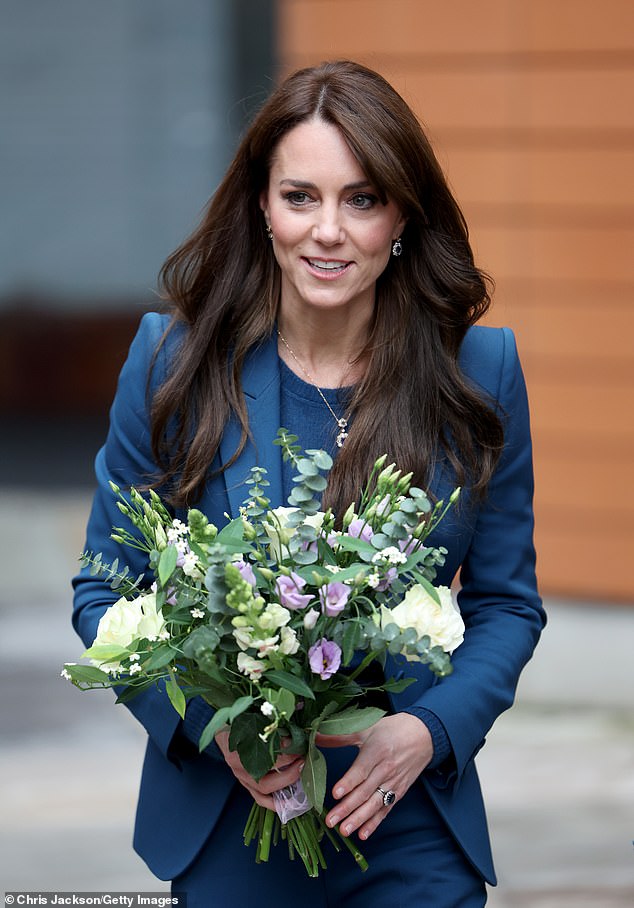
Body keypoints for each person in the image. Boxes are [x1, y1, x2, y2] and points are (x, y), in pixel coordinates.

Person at [73, 60, 545, 906]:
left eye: (362, 199)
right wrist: (211, 729)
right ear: (262, 206)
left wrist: (428, 732)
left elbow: (507, 603)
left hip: (408, 830)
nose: (328, 230)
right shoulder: (171, 364)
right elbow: (102, 593)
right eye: (301, 197)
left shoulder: (480, 373)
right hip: (231, 825)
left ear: (401, 215)